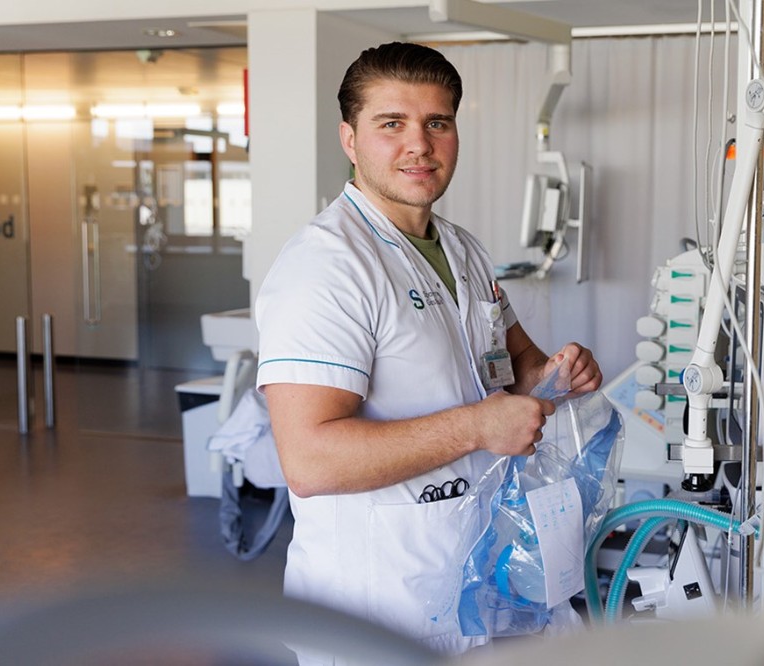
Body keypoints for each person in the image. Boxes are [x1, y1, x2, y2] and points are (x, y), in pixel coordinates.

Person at [254, 42, 603, 659]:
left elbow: (517, 365)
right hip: (379, 607)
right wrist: (478, 427)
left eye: (436, 123)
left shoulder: (463, 250)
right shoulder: (326, 265)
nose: (419, 144)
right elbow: (310, 462)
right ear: (349, 139)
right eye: (392, 124)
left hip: (481, 581)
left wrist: (558, 374)